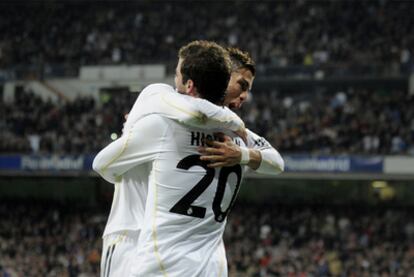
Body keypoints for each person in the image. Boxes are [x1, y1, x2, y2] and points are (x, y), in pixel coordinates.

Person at [93, 40, 245, 277]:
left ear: (190, 84)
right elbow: (275, 162)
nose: (173, 82)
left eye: (176, 74)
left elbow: (101, 165)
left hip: (132, 235)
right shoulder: (232, 138)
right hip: (203, 254)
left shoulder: (159, 117)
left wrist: (130, 132)